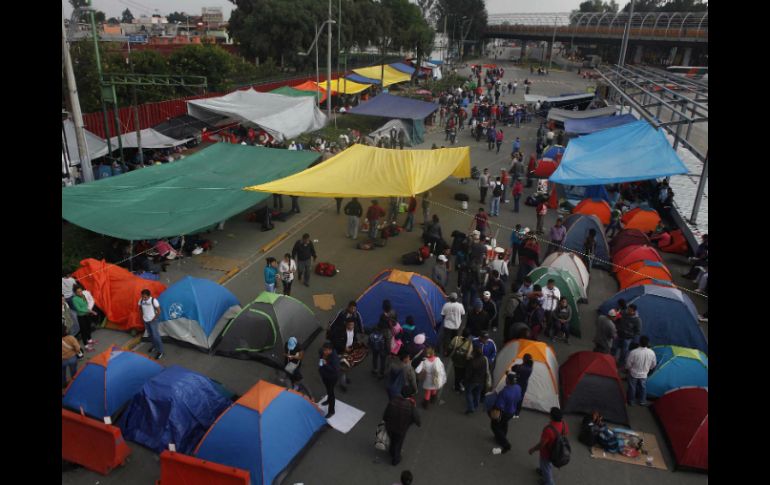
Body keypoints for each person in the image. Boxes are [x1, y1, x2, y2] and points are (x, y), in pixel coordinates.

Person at [382, 384, 422, 466]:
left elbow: (386, 414)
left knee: (392, 439)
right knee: (398, 443)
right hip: (401, 429)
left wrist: (385, 421)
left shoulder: (393, 400)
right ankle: (396, 459)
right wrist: (418, 423)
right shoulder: (410, 406)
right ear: (410, 395)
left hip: (390, 426)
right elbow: (417, 419)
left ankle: (391, 451)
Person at [529, 407, 569, 485]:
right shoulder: (564, 424)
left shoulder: (549, 430)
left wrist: (533, 449)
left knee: (546, 468)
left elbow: (542, 444)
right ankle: (542, 471)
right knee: (546, 465)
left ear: (551, 417)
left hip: (547, 453)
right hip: (556, 451)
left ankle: (548, 482)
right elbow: (565, 434)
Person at [490, 373, 522, 453]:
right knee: (504, 423)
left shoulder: (504, 392)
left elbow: (499, 405)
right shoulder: (518, 388)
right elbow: (519, 399)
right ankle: (502, 436)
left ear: (507, 380)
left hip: (504, 412)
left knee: (495, 426)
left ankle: (505, 444)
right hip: (512, 411)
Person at [330, 318, 364, 391]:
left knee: (347, 366)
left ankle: (344, 378)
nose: (351, 327)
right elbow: (335, 342)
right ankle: (343, 384)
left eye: (353, 325)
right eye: (350, 325)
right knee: (342, 369)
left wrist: (356, 343)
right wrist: (344, 348)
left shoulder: (354, 330)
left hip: (349, 352)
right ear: (346, 324)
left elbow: (354, 338)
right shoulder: (340, 332)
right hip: (340, 352)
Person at [625, 336, 657, 406]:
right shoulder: (652, 353)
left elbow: (628, 364)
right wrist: (648, 369)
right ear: (648, 343)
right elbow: (653, 364)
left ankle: (631, 401)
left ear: (639, 342)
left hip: (633, 373)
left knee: (632, 387)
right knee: (643, 387)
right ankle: (642, 401)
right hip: (644, 374)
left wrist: (628, 369)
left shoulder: (633, 352)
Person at [71, 286, 97, 351]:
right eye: (78, 292)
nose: (80, 293)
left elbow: (86, 304)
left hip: (87, 315)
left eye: (81, 291)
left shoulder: (83, 295)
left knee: (88, 327)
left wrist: (89, 310)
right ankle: (86, 346)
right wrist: (90, 311)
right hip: (81, 317)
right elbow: (79, 309)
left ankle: (90, 340)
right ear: (75, 293)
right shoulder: (74, 299)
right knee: (83, 330)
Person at [139, 289, 163, 360]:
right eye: (142, 297)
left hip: (153, 321)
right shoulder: (141, 300)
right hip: (146, 320)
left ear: (149, 296)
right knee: (150, 335)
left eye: (145, 297)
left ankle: (160, 351)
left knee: (156, 336)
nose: (144, 298)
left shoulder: (153, 301)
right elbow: (140, 308)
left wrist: (153, 318)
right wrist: (142, 317)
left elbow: (159, 311)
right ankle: (154, 346)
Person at [318, 342, 340, 418]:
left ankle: (331, 411)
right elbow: (320, 358)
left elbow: (335, 370)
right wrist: (321, 366)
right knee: (328, 389)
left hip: (332, 377)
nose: (325, 352)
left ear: (331, 350)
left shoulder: (334, 358)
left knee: (331, 393)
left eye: (327, 351)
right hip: (324, 375)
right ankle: (328, 400)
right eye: (324, 350)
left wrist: (325, 364)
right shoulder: (322, 352)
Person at [464, 346, 488, 414]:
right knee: (477, 393)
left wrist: (465, 380)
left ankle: (471, 407)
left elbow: (468, 373)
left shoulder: (472, 362)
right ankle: (475, 405)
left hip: (472, 381)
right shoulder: (484, 359)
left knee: (468, 393)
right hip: (481, 381)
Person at [448, 328, 473, 392]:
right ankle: (461, 385)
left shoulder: (456, 339)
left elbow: (450, 347)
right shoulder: (470, 344)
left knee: (457, 374)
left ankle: (456, 387)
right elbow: (468, 356)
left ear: (462, 333)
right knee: (462, 374)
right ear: (469, 336)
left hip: (455, 361)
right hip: (463, 363)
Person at [62, 324, 81, 388]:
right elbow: (77, 347)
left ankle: (64, 384)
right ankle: (73, 384)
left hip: (62, 360)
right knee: (73, 372)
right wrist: (76, 352)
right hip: (72, 358)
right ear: (65, 330)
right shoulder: (70, 338)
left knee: (62, 373)